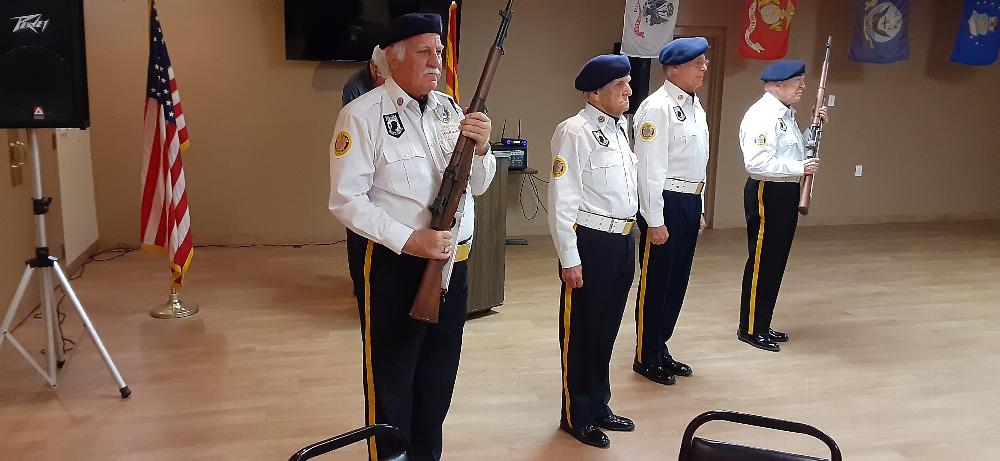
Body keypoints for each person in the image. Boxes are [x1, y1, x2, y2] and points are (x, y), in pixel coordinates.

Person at [328, 13, 495, 461]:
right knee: (392, 378)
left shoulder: (450, 110)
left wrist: (482, 150)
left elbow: (476, 185)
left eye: (438, 52)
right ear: (392, 59)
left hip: (452, 266)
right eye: (424, 52)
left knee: (438, 380)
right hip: (395, 265)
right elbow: (346, 201)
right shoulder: (362, 116)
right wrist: (409, 240)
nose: (436, 60)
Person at [548, 54, 638, 449]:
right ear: (595, 92)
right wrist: (570, 257)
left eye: (628, 84)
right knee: (582, 332)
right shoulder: (575, 131)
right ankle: (576, 414)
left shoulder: (620, 129)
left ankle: (600, 404)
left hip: (622, 241)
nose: (629, 92)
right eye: (621, 86)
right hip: (591, 241)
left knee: (605, 331)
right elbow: (562, 199)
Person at [631, 37, 710, 386]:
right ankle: (646, 354)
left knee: (677, 280)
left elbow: (698, 165)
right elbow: (649, 169)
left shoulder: (696, 107)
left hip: (688, 202)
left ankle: (661, 345)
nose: (704, 68)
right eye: (698, 63)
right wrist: (654, 220)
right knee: (657, 282)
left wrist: (701, 207)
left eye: (705, 62)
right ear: (674, 67)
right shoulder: (657, 108)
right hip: (664, 201)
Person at [736, 60, 828, 352]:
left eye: (802, 80)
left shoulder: (785, 114)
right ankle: (750, 328)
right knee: (762, 261)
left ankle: (762, 323)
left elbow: (797, 149)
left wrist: (815, 126)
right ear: (775, 84)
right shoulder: (762, 115)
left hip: (785, 191)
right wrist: (801, 167)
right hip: (767, 191)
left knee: (776, 261)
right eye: (797, 81)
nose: (803, 86)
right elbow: (758, 162)